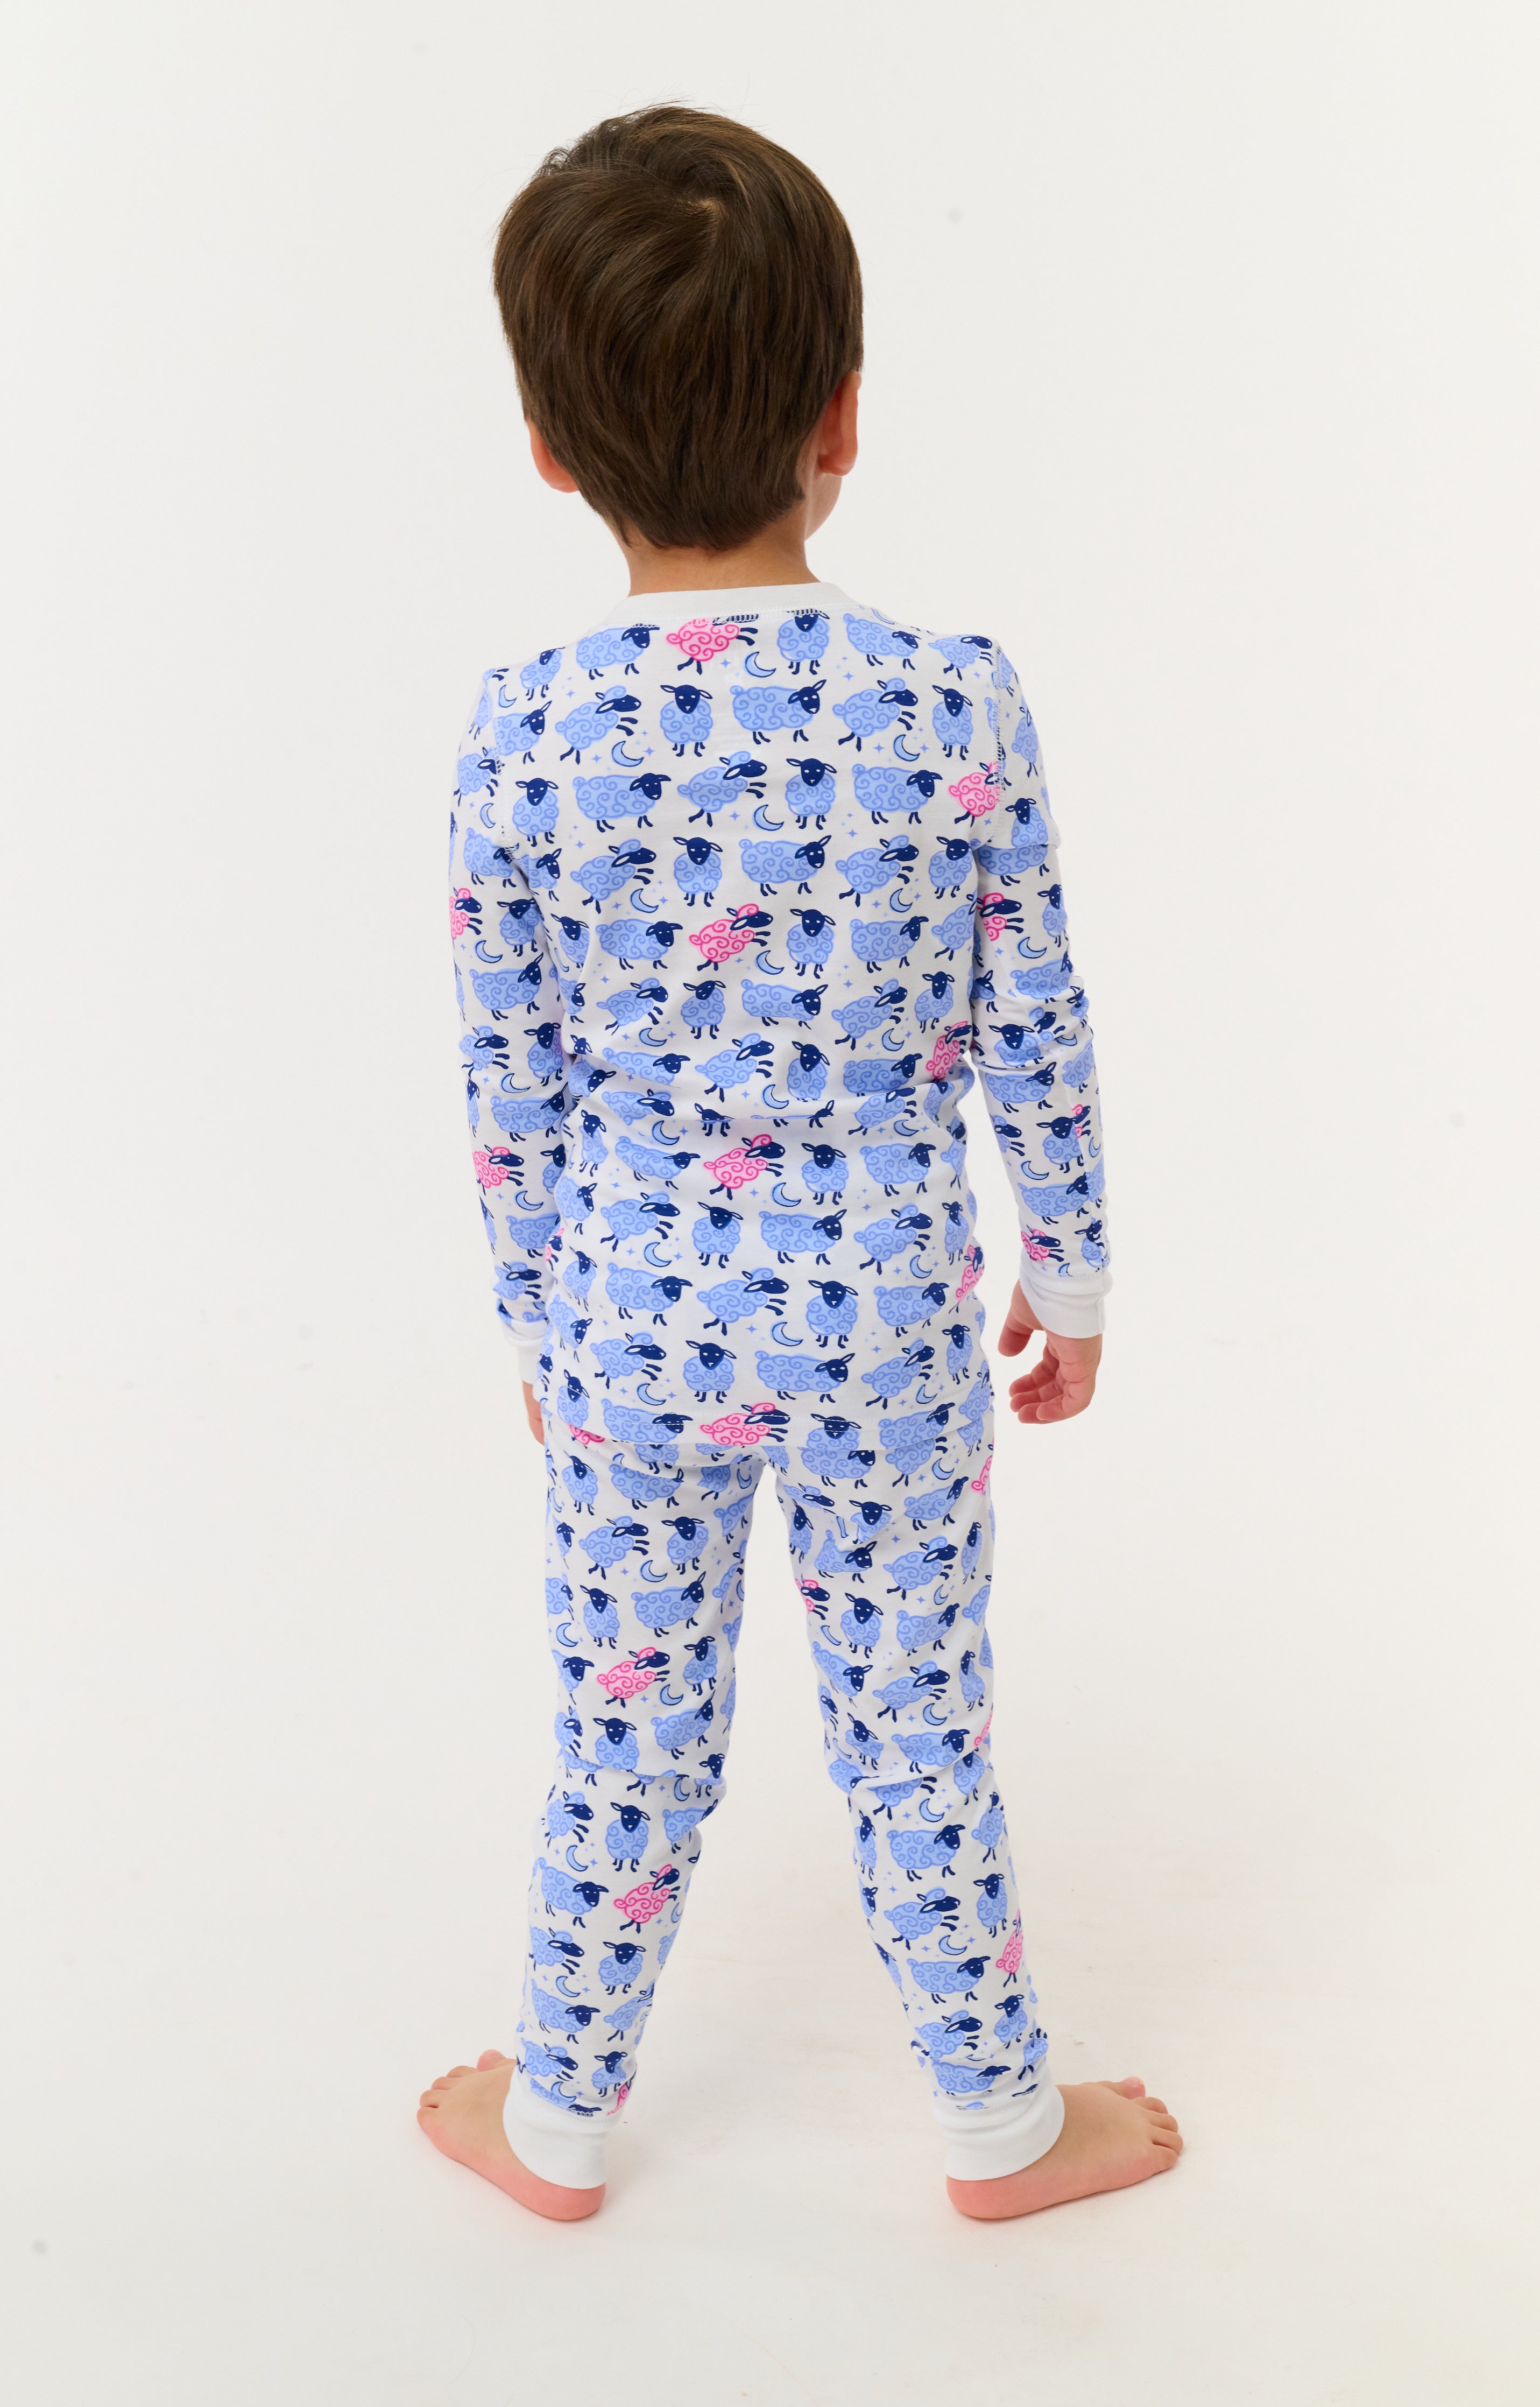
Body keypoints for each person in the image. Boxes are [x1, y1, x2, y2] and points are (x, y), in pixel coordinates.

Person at [418, 105, 1180, 2222]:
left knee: (627, 1727)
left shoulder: (523, 731)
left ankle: (555, 2121)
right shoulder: (949, 705)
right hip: (886, 1328)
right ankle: (1000, 2124)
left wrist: (541, 1332)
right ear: (843, 416)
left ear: (547, 449)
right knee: (915, 1725)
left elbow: (510, 1088)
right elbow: (1037, 1019)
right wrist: (1073, 1276)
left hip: (632, 1328)